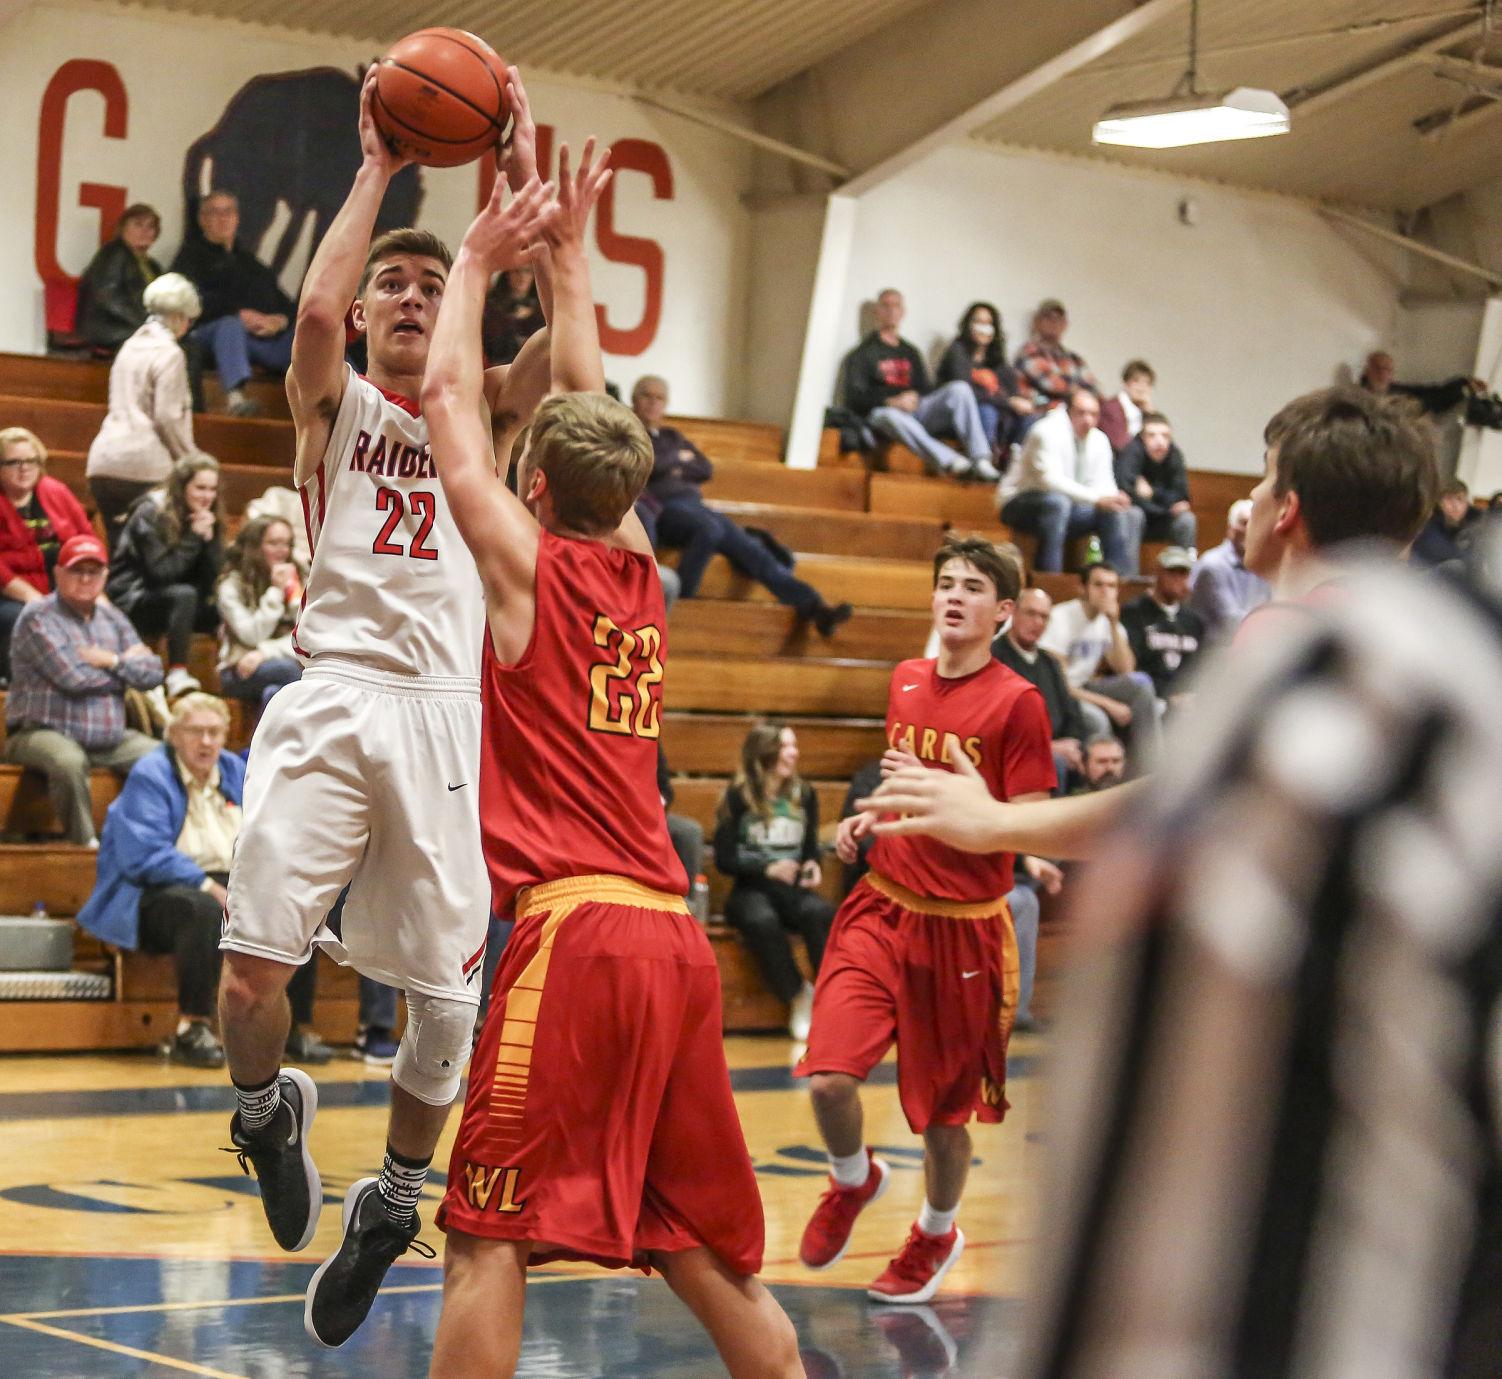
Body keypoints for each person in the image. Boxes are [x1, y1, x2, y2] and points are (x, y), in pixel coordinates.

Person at [420, 139, 803, 1379]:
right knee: (692, 1234)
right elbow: (589, 409)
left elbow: (443, 410)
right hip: (671, 936)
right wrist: (572, 265)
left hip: (573, 931)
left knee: (484, 1233)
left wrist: (478, 257)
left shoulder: (527, 568)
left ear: (536, 482)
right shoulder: (636, 566)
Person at [215, 68, 561, 1350]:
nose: (414, 300)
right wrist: (375, 165)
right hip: (332, 696)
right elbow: (311, 306)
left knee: (450, 1014)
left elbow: (553, 355)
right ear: (365, 321)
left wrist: (508, 180)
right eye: (394, 290)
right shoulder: (339, 404)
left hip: (445, 716)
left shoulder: (488, 423)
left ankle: (393, 1195)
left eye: (434, 286)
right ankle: (263, 1112)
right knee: (250, 974)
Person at [796, 536, 1054, 1305]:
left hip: (963, 927)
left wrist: (987, 810)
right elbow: (903, 781)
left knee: (945, 1120)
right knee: (829, 1078)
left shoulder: (1019, 703)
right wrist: (866, 819)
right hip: (882, 905)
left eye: (973, 587)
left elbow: (1033, 823)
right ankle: (854, 1178)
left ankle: (938, 1231)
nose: (954, 596)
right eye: (945, 583)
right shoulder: (906, 680)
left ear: (1003, 612)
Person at [74, 693, 330, 1068]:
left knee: (293, 906)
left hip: (230, 880)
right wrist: (209, 886)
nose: (206, 742)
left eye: (214, 732)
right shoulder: (152, 773)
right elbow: (143, 854)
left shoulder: (234, 769)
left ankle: (293, 1028)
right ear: (174, 735)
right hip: (153, 891)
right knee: (202, 909)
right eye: (196, 732)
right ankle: (192, 1027)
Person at [632, 375, 853, 635]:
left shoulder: (671, 436)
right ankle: (682, 602)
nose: (653, 403)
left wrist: (672, 463)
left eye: (659, 398)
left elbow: (704, 467)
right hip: (661, 507)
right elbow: (650, 465)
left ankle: (813, 605)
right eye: (647, 396)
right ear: (634, 400)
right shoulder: (631, 431)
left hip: (694, 506)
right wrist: (677, 462)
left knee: (747, 546)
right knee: (710, 528)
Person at [2, 534, 162, 844]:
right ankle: (85, 848)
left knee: (162, 758)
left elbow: (154, 672)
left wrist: (111, 660)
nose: (86, 578)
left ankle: (147, 842)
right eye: (77, 571)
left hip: (109, 739)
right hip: (41, 733)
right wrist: (125, 667)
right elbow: (73, 679)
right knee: (68, 762)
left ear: (104, 576)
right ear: (58, 573)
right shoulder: (38, 617)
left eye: (93, 571)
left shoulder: (113, 619)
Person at [713, 724, 834, 1041]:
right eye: (785, 746)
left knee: (819, 913)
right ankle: (797, 994)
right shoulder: (738, 796)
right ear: (764, 752)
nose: (794, 753)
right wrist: (768, 869)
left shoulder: (804, 794)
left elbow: (810, 849)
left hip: (792, 888)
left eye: (794, 746)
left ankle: (831, 998)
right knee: (760, 920)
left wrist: (812, 865)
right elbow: (724, 859)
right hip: (750, 888)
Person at [86, 273, 202, 553]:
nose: (188, 326)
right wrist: (193, 460)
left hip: (103, 463)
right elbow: (166, 416)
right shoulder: (170, 353)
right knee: (153, 558)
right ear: (177, 316)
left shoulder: (128, 347)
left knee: (120, 558)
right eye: (188, 318)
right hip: (144, 468)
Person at [845, 289, 997, 480]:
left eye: (896, 306)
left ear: (903, 311)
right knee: (889, 416)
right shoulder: (862, 353)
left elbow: (926, 388)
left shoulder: (910, 351)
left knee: (960, 388)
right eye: (886, 305)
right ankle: (953, 463)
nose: (891, 311)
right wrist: (892, 402)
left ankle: (981, 459)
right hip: (884, 415)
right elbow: (854, 398)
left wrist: (915, 398)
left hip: (916, 412)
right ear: (877, 311)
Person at [107, 453, 224, 699]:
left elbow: (212, 577)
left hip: (173, 598)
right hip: (132, 597)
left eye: (212, 489)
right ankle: (177, 673)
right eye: (200, 488)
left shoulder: (205, 516)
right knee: (184, 595)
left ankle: (223, 676)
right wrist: (193, 538)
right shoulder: (150, 511)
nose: (207, 496)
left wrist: (209, 540)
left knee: (217, 606)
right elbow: (161, 573)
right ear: (181, 487)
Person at [172, 190, 295, 416]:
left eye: (228, 211)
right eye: (214, 212)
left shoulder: (251, 263)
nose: (223, 218)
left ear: (237, 218)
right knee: (230, 325)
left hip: (258, 342)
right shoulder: (190, 257)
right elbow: (186, 302)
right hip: (209, 337)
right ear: (202, 219)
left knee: (313, 334)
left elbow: (286, 304)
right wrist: (238, 315)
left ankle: (358, 396)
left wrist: (279, 320)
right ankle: (235, 399)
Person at [997, 388, 1143, 575]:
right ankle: (1050, 580)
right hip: (1019, 502)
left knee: (1114, 512)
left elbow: (1104, 484)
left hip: (1072, 507)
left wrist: (1113, 499)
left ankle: (1118, 581)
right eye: (1081, 413)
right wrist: (1098, 499)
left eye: (1093, 414)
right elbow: (1050, 481)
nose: (1088, 420)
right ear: (1068, 412)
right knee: (1057, 503)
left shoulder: (1099, 439)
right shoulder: (1045, 431)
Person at [1039, 563, 1160, 772]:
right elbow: (1058, 682)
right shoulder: (1060, 618)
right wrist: (1108, 704)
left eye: (1111, 586)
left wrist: (1113, 623)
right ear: (1082, 588)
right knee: (1098, 717)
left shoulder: (1107, 621)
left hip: (1085, 687)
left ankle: (1151, 770)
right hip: (1060, 694)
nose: (1106, 591)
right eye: (1099, 585)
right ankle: (1098, 780)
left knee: (1141, 684)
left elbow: (1126, 670)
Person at [0, 426, 93, 682]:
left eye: (31, 461)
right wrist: (30, 596)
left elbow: (86, 540)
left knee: (101, 613)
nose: (24, 468)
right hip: (9, 595)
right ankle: (22, 684)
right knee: (22, 616)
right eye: (14, 462)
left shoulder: (55, 492)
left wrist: (90, 586)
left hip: (59, 587)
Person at [991, 586, 1089, 790]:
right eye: (1031, 613)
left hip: (1059, 744)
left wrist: (1072, 742)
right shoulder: (994, 657)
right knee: (1056, 763)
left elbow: (1071, 709)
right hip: (1019, 751)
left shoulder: (1050, 662)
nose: (1037, 623)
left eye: (1044, 617)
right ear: (1014, 613)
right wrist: (1049, 747)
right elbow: (998, 723)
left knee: (1103, 754)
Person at [215, 516, 304, 709]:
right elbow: (252, 635)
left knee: (274, 692)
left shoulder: (298, 575)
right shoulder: (231, 585)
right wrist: (275, 592)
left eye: (287, 544)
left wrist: (266, 652)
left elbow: (309, 633)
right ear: (254, 547)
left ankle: (261, 739)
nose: (283, 551)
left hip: (280, 660)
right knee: (288, 671)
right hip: (239, 668)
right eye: (273, 543)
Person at [936, 302, 1031, 454]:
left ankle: (1012, 462)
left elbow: (1013, 391)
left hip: (1000, 413)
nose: (983, 328)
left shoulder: (998, 360)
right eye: (978, 322)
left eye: (988, 323)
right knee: (987, 411)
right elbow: (964, 392)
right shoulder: (957, 351)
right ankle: (982, 461)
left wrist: (1019, 403)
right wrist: (1008, 402)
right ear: (968, 325)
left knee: (1028, 419)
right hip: (961, 414)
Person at [76, 203, 165, 353]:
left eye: (150, 226)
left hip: (137, 327)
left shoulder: (153, 266)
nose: (145, 231)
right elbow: (108, 297)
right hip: (111, 328)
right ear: (123, 228)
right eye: (138, 225)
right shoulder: (113, 253)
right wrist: (145, 324)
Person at [1120, 547, 1204, 706]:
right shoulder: (1134, 613)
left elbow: (1199, 668)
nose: (1178, 579)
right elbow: (1134, 668)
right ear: (1158, 572)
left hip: (1187, 698)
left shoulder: (1193, 621)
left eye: (1183, 573)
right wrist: (1167, 696)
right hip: (1149, 696)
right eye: (1172, 572)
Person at [1189, 498, 1269, 644]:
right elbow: (1231, 622)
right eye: (1244, 523)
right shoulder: (1212, 565)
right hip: (1211, 654)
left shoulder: (1262, 566)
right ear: (1231, 530)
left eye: (1255, 524)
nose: (1250, 530)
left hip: (1245, 647)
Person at [1113, 411, 1196, 549]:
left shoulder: (1175, 455)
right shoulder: (1131, 452)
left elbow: (1182, 496)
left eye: (1165, 435)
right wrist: (1165, 505)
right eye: (1152, 435)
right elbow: (1127, 493)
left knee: (1186, 520)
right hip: (1137, 517)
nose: (1159, 441)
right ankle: (1129, 571)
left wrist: (1153, 493)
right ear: (1142, 438)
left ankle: (1183, 568)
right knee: (1133, 515)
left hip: (1164, 518)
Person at [1013, 299, 1097, 411]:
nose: (1054, 322)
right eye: (1048, 318)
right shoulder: (1028, 353)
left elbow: (1092, 387)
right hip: (1038, 410)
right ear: (1037, 322)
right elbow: (1051, 385)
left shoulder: (1074, 359)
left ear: (1065, 324)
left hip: (1069, 412)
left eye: (1058, 319)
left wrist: (1079, 394)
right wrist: (1076, 391)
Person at [1411, 477, 1480, 567]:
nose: (1455, 506)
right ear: (1438, 502)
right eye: (1449, 499)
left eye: (1460, 499)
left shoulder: (1472, 529)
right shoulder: (1427, 526)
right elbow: (1441, 553)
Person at [482, 264, 544, 364]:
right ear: (507, 274)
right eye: (516, 271)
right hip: (501, 367)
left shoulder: (542, 309)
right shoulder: (491, 309)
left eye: (527, 272)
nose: (522, 277)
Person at [1096, 359, 1155, 454]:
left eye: (1147, 383)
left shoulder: (1145, 412)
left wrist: (1151, 415)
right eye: (1136, 381)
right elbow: (1120, 445)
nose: (1142, 388)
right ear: (1126, 384)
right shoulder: (1111, 408)